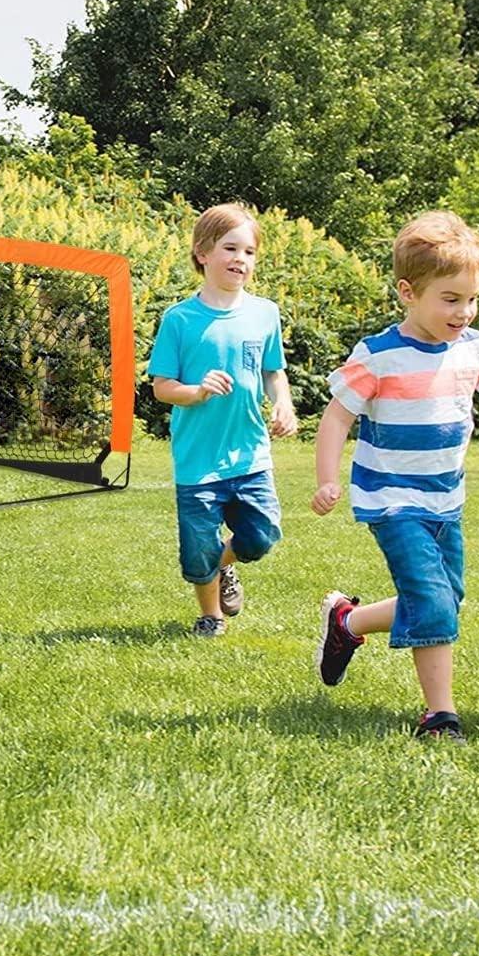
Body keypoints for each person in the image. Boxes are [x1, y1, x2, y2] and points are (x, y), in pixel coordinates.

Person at [310, 209, 479, 742]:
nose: (464, 312)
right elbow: (337, 415)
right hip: (391, 500)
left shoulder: (475, 348)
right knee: (432, 602)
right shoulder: (379, 355)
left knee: (442, 600)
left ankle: (346, 623)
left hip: (445, 498)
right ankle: (440, 716)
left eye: (472, 299)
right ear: (409, 292)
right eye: (451, 300)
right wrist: (327, 478)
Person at [149, 204, 297, 637]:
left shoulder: (265, 313)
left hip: (250, 452)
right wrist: (196, 391)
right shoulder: (179, 319)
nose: (241, 259)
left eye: (249, 252)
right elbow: (161, 387)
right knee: (197, 551)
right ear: (202, 254)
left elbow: (273, 371)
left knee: (262, 535)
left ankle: (223, 563)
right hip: (198, 460)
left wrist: (283, 404)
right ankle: (211, 616)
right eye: (230, 248)